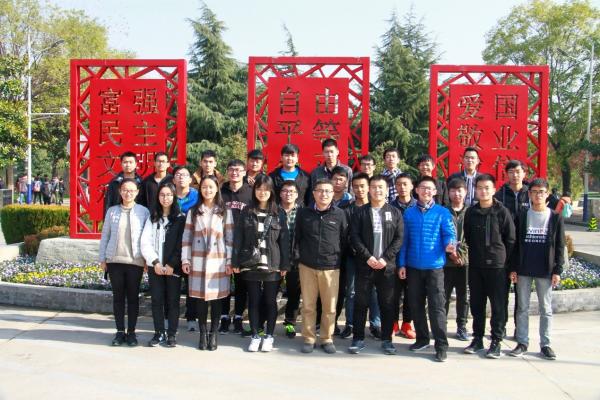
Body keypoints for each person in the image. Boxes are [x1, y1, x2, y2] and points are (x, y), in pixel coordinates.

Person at [396, 176, 456, 362]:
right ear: (416, 190)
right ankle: (422, 339)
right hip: (413, 267)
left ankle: (441, 345)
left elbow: (449, 234)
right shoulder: (409, 214)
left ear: (435, 192)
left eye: (430, 188)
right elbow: (404, 241)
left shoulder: (442, 212)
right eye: (423, 188)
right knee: (416, 305)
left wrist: (450, 244)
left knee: (437, 307)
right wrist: (402, 264)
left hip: (434, 267)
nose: (426, 191)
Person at [509, 178, 565, 360]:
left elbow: (560, 246)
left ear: (547, 194)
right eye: (534, 192)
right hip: (524, 268)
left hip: (545, 269)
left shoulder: (555, 217)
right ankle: (522, 342)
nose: (538, 195)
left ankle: (546, 344)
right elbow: (515, 244)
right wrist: (513, 268)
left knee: (545, 308)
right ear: (529, 194)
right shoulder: (522, 215)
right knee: (522, 308)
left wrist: (557, 270)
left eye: (542, 192)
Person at [232, 175, 289, 352]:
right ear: (254, 190)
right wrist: (235, 261)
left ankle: (269, 336)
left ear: (271, 191)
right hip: (251, 264)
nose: (262, 192)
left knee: (270, 301)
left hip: (273, 264)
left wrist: (285, 265)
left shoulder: (279, 212)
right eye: (259, 189)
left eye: (266, 189)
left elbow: (284, 241)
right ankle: (256, 335)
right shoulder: (247, 211)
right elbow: (238, 237)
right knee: (254, 301)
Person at [348, 175, 404, 355]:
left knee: (387, 304)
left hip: (386, 267)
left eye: (381, 187)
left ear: (387, 190)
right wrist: (367, 257)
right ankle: (358, 338)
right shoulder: (360, 212)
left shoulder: (395, 212)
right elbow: (354, 237)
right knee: (361, 302)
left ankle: (387, 339)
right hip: (365, 265)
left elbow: (399, 238)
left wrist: (385, 258)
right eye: (373, 187)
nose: (377, 190)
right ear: (369, 189)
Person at [463, 174, 515, 359]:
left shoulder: (502, 212)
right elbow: (468, 236)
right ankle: (477, 339)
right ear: (475, 190)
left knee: (498, 306)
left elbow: (510, 240)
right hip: (476, 266)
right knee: (477, 304)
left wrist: (508, 264)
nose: (483, 191)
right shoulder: (471, 212)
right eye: (479, 188)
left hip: (497, 267)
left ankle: (496, 341)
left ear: (494, 190)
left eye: (487, 188)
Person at [295, 178, 348, 354]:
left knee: (330, 307)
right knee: (308, 305)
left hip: (331, 267)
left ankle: (326, 338)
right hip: (307, 265)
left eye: (327, 191)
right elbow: (297, 237)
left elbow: (344, 239)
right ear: (314, 193)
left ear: (332, 194)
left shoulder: (339, 214)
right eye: (320, 191)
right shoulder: (304, 213)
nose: (324, 194)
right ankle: (308, 338)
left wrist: (337, 259)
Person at [182, 175, 233, 351]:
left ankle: (214, 334)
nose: (208, 190)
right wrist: (185, 259)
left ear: (217, 189)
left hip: (218, 260)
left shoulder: (224, 211)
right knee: (200, 299)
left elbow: (230, 238)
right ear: (200, 189)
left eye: (211, 187)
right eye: (204, 187)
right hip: (198, 259)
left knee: (217, 299)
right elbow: (187, 237)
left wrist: (229, 261)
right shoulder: (194, 211)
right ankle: (203, 334)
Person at [99, 178, 150, 346]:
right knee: (118, 298)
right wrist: (102, 258)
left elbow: (147, 238)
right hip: (114, 261)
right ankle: (120, 331)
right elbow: (105, 236)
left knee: (133, 298)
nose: (128, 193)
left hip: (135, 261)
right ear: (120, 192)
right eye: (125, 190)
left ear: (137, 192)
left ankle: (132, 332)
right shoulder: (112, 211)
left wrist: (146, 260)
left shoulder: (144, 212)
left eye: (132, 190)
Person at [141, 182, 185, 348]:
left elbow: (182, 244)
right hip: (156, 267)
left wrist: (172, 264)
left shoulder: (180, 218)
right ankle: (159, 332)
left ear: (174, 197)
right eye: (162, 195)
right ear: (158, 196)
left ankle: (172, 334)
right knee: (157, 300)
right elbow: (145, 242)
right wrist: (155, 262)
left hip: (173, 267)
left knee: (173, 301)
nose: (165, 198)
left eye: (169, 195)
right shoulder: (152, 217)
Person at [339, 173, 382, 340]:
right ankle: (350, 324)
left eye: (362, 186)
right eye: (355, 186)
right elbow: (345, 234)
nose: (359, 189)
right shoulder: (347, 209)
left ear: (369, 187)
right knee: (351, 291)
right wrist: (356, 250)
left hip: (374, 257)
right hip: (353, 256)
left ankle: (375, 324)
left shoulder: (376, 208)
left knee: (374, 291)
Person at [494, 159, 530, 337]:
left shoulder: (531, 193)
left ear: (524, 173)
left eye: (518, 171)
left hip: (525, 251)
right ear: (506, 174)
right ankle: (500, 329)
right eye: (511, 172)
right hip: (504, 250)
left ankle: (519, 329)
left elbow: (552, 204)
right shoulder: (499, 196)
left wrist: (566, 197)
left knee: (521, 296)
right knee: (501, 295)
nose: (515, 175)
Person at [219, 159, 253, 335]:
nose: (234, 173)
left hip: (244, 245)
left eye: (238, 170)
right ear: (227, 171)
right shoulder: (220, 191)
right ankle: (224, 317)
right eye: (231, 169)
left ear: (244, 172)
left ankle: (239, 317)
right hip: (222, 244)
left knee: (242, 284)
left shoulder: (250, 191)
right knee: (224, 282)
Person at [389, 172, 417, 339]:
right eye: (398, 184)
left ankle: (407, 323)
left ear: (412, 186)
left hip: (413, 255)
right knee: (393, 292)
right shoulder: (390, 207)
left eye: (405, 184)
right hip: (394, 255)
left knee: (411, 292)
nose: (402, 187)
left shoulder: (418, 206)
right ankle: (393, 322)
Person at [173, 165, 199, 331]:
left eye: (185, 175)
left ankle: (191, 319)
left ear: (190, 179)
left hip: (192, 246)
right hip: (172, 247)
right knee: (172, 287)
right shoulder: (168, 195)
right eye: (178, 174)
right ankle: (170, 319)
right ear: (173, 179)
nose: (181, 177)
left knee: (192, 286)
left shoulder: (197, 196)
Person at [444, 178, 470, 341]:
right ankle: (442, 326)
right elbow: (439, 236)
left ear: (465, 192)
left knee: (463, 296)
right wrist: (451, 254)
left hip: (465, 263)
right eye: (453, 190)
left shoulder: (471, 212)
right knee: (443, 295)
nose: (456, 194)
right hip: (446, 262)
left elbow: (473, 238)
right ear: (448, 193)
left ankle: (462, 326)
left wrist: (461, 256)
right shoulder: (443, 212)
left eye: (460, 190)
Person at [279, 180, 301, 338]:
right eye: (285, 191)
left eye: (292, 191)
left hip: (295, 259)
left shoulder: (303, 212)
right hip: (276, 258)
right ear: (280, 193)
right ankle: (262, 322)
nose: (288, 194)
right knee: (270, 292)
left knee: (294, 293)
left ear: (297, 195)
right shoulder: (273, 210)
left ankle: (290, 323)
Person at [104, 151, 143, 217]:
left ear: (136, 164)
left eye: (130, 162)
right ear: (121, 164)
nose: (128, 165)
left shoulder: (142, 183)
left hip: (137, 217)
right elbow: (108, 202)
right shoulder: (114, 182)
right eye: (125, 162)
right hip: (117, 217)